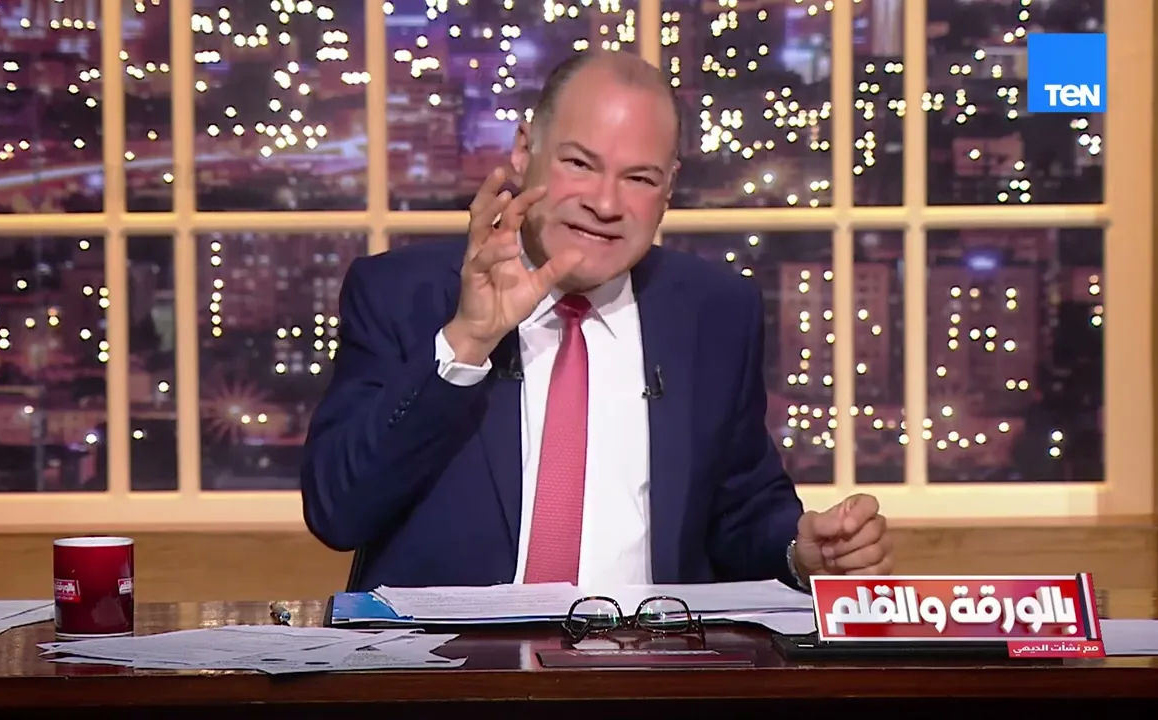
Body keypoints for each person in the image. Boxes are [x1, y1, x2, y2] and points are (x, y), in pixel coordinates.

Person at [301, 52, 893, 592]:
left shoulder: (713, 312)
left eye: (639, 178)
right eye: (580, 164)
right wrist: (468, 342)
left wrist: (799, 553)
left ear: (669, 188)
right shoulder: (404, 294)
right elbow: (337, 513)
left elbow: (739, 511)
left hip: (649, 664)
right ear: (523, 150)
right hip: (451, 668)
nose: (605, 205)